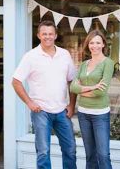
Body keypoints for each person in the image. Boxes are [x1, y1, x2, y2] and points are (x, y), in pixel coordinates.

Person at [12, 20, 77, 169]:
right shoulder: (31, 56)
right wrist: (29, 102)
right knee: (43, 152)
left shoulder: (64, 54)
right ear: (38, 35)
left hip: (62, 111)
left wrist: (72, 105)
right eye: (44, 34)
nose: (47, 36)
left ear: (55, 35)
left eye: (50, 34)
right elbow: (16, 81)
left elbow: (72, 82)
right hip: (40, 111)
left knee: (70, 149)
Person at [70, 30, 114, 169]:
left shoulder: (108, 63)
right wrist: (93, 87)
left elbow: (101, 92)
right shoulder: (84, 64)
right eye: (91, 42)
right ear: (88, 45)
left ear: (103, 45)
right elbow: (72, 87)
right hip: (83, 114)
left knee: (103, 154)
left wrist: (82, 90)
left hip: (100, 114)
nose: (94, 45)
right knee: (90, 155)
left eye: (97, 42)